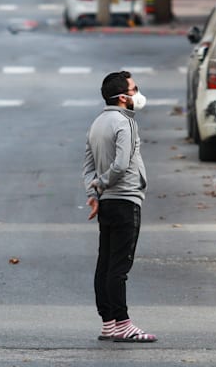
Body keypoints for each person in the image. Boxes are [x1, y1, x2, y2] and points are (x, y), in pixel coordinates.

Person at [83, 71, 157, 344]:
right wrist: (101, 186)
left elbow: (87, 165)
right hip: (125, 200)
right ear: (124, 98)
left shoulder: (97, 123)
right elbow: (122, 164)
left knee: (105, 264)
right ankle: (124, 323)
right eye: (135, 89)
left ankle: (109, 324)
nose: (138, 93)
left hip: (107, 204)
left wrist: (93, 192)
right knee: (119, 266)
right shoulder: (124, 123)